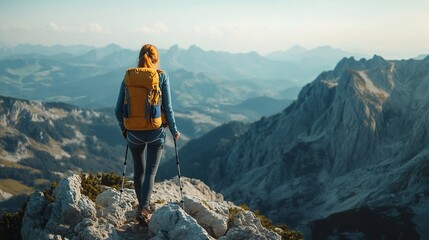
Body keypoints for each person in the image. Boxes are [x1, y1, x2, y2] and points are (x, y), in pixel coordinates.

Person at [115, 44, 180, 225]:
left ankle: (141, 205)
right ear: (156, 59)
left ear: (139, 58)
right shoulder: (161, 76)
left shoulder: (128, 77)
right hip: (155, 132)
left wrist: (124, 128)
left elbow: (117, 109)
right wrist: (174, 130)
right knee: (151, 173)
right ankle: (144, 209)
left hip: (133, 133)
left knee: (139, 171)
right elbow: (167, 107)